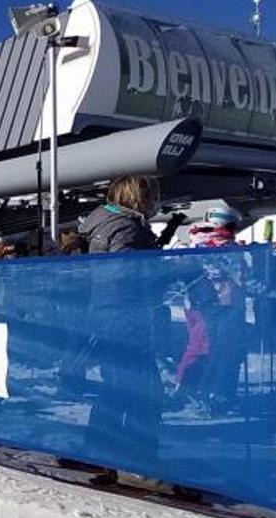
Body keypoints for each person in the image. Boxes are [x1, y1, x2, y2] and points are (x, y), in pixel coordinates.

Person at [73, 175, 177, 485]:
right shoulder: (126, 228)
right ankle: (137, 454)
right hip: (127, 319)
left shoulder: (105, 224)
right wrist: (165, 272)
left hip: (110, 318)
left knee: (116, 386)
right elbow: (122, 275)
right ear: (136, 197)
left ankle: (101, 451)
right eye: (150, 196)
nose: (153, 202)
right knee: (141, 389)